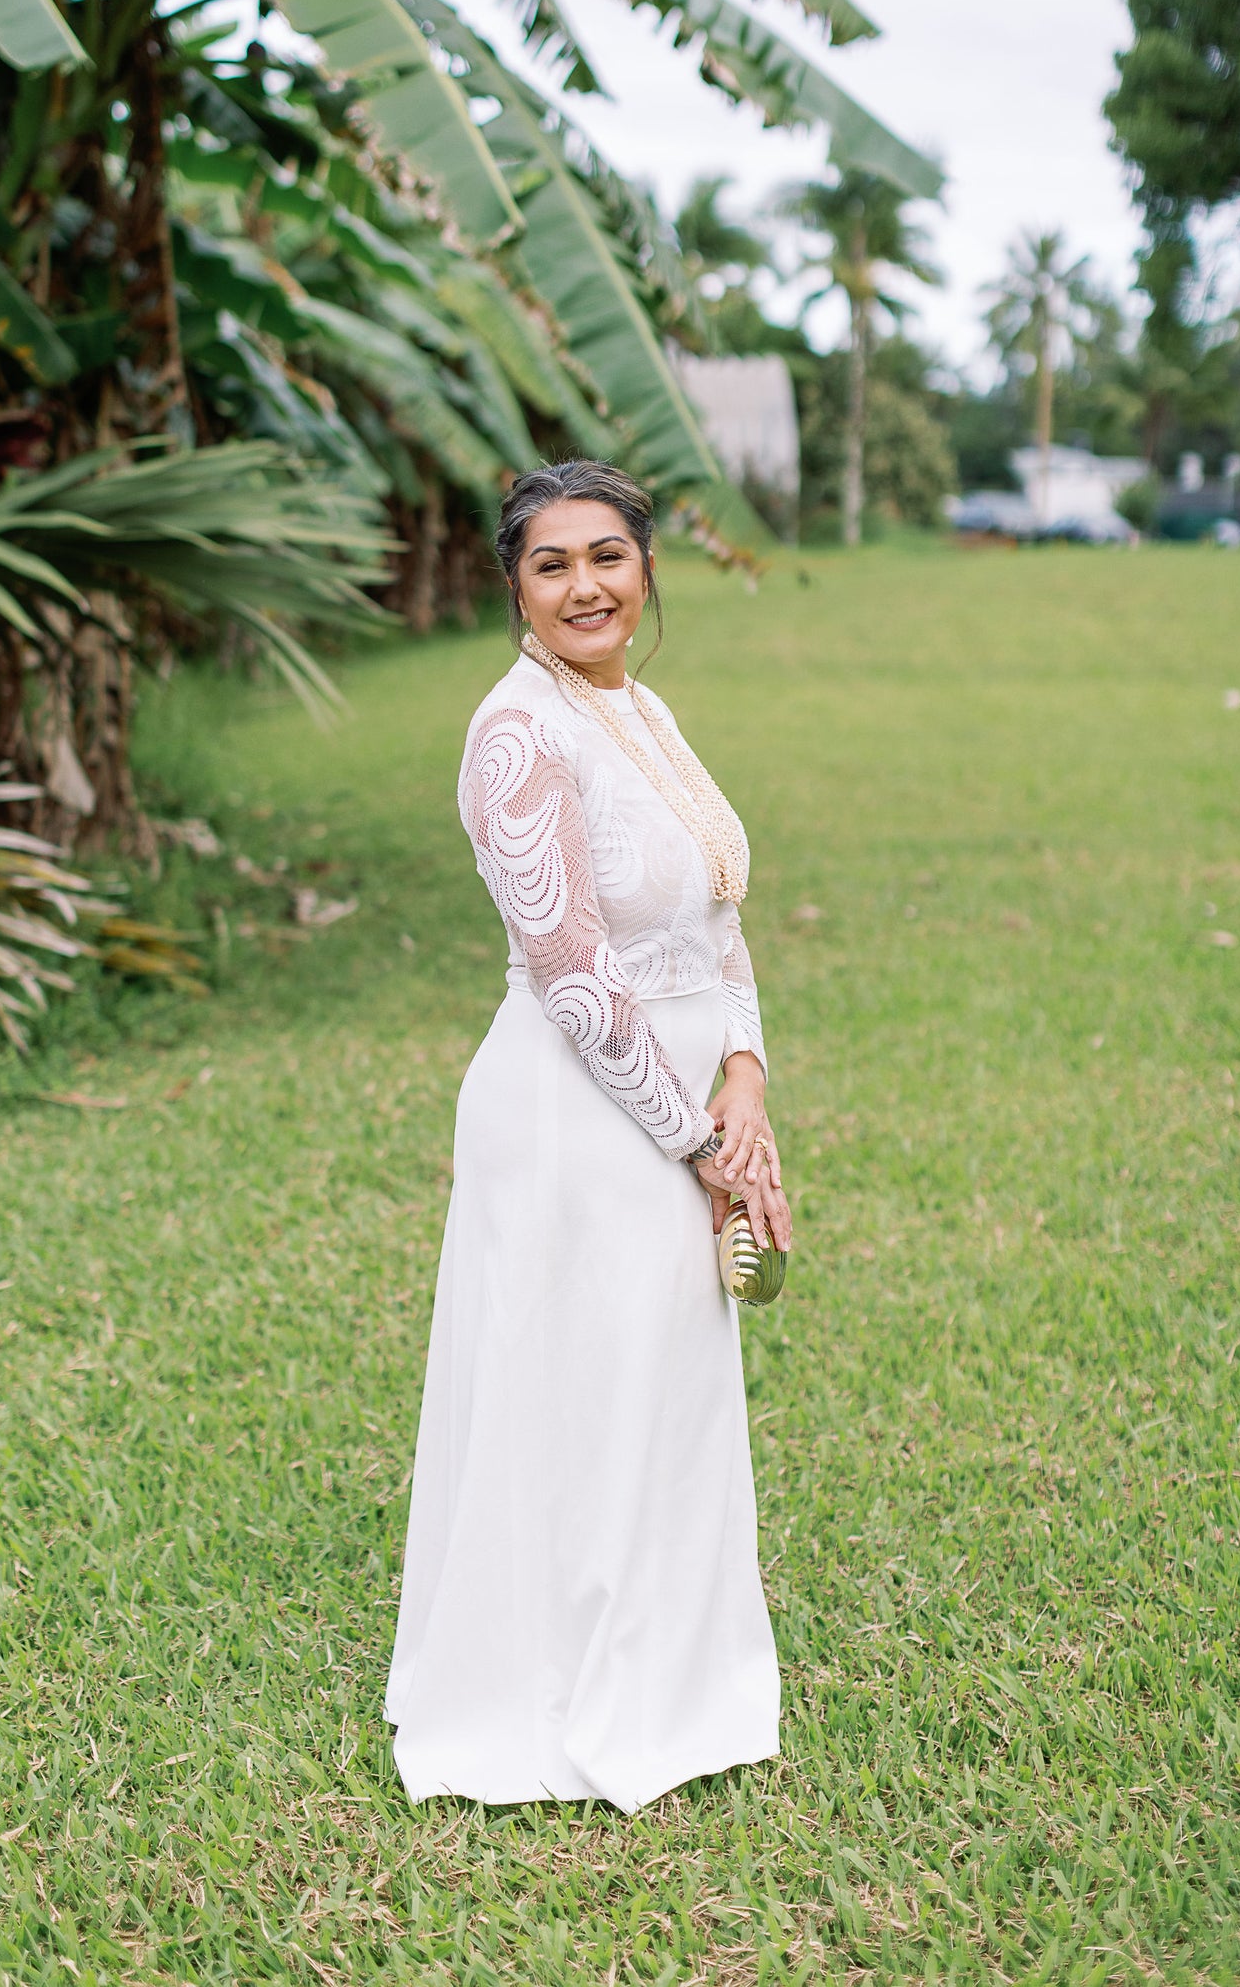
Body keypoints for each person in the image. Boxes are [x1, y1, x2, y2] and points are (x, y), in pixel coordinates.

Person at [384, 460, 792, 1812]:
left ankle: (672, 1679)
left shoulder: (639, 708)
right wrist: (700, 1144)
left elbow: (713, 917)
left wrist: (744, 1075)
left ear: (644, 569)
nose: (584, 586)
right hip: (575, 1109)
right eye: (551, 564)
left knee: (659, 1392)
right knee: (575, 1395)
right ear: (513, 583)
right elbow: (575, 976)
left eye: (606, 556)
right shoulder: (518, 732)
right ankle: (549, 1696)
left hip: (681, 1101)